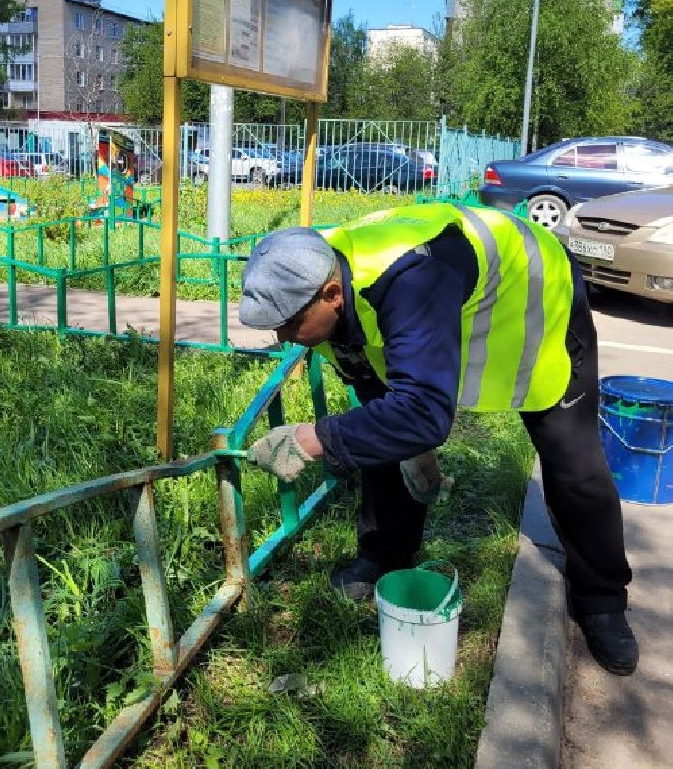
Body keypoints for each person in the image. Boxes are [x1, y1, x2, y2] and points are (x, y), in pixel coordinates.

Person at [238, 204, 638, 676]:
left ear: (330, 294)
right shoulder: (317, 271)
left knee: (572, 458)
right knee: (379, 434)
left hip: (536, 298)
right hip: (451, 301)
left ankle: (602, 600)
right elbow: (373, 383)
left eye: (287, 323)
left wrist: (315, 437)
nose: (283, 338)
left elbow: (425, 412)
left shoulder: (409, 279)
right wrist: (406, 445)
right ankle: (384, 556)